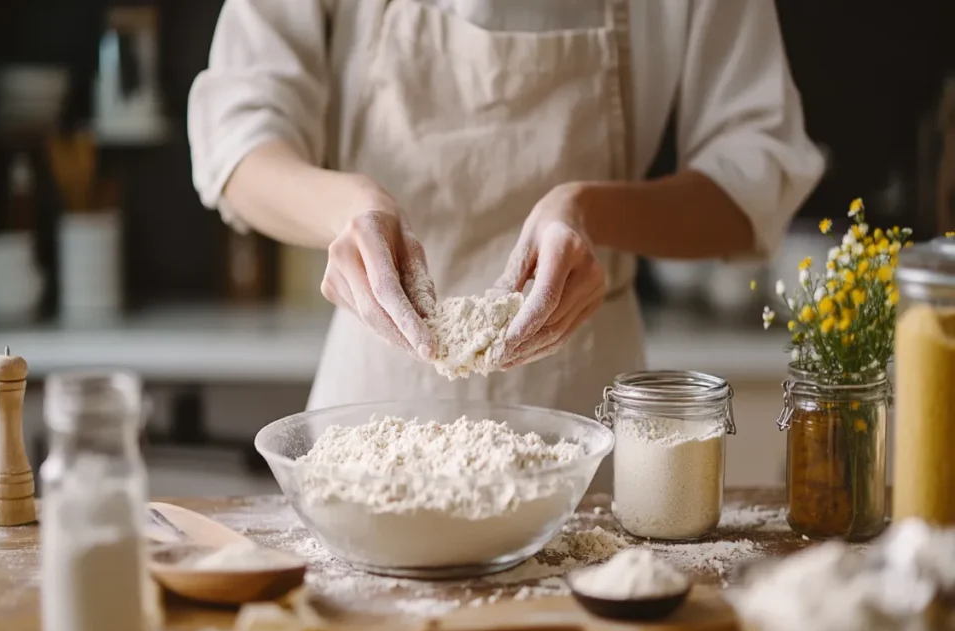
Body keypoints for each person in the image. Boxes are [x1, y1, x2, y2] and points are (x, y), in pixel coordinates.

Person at [188, 0, 823, 489]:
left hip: (583, 432)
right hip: (372, 412)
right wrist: (350, 209)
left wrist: (589, 213)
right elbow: (237, 144)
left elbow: (756, 177)